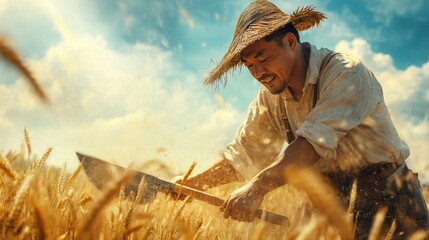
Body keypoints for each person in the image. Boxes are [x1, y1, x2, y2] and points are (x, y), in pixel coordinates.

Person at [178, 0, 429, 238]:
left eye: (264, 58)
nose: (259, 73)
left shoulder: (346, 73)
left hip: (389, 201)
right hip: (326, 208)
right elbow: (243, 155)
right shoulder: (269, 99)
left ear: (289, 42)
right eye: (250, 66)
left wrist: (257, 188)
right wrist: (191, 184)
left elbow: (310, 145)